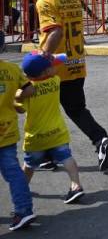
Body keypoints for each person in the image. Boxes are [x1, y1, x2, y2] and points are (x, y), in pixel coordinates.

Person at [34, 0, 108, 171]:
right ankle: (99, 141)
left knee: (44, 110)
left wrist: (43, 58)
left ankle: (47, 154)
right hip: (76, 63)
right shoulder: (71, 0)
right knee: (76, 109)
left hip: (54, 68)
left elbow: (55, 33)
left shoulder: (45, 3)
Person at [17, 53, 84, 205]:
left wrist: (17, 98)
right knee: (67, 159)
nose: (56, 67)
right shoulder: (55, 81)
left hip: (36, 137)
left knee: (29, 165)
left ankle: (20, 189)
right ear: (45, 72)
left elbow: (20, 110)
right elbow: (61, 63)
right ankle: (76, 185)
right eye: (53, 66)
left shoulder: (28, 91)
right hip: (57, 132)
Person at [0, 41, 36, 230]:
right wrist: (16, 96)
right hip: (7, 129)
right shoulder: (12, 70)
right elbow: (30, 89)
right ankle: (24, 210)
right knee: (14, 172)